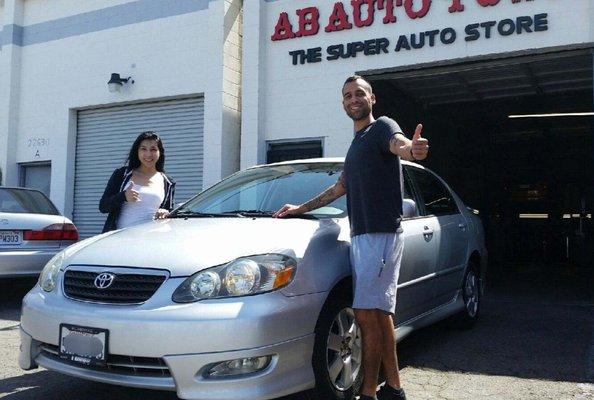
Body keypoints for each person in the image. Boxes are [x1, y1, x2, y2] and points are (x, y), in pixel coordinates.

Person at [274, 75, 429, 400]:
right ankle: (395, 389)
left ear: (372, 99)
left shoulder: (382, 127)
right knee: (380, 314)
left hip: (380, 235)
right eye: (347, 95)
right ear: (343, 103)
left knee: (366, 314)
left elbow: (400, 145)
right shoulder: (356, 145)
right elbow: (339, 187)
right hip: (363, 237)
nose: (353, 99)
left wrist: (412, 150)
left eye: (359, 93)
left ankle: (370, 392)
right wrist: (299, 208)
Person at [99, 131, 175, 233]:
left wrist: (165, 212)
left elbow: (169, 212)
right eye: (143, 149)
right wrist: (123, 196)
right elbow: (103, 206)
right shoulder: (122, 174)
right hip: (120, 239)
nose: (148, 154)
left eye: (153, 149)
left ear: (160, 152)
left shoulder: (168, 183)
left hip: (152, 239)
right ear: (137, 151)